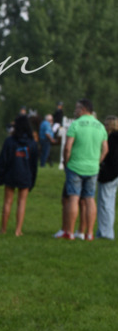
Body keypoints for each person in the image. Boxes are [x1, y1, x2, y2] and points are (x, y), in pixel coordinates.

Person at [60, 99, 108, 241]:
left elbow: (68, 147)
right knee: (89, 199)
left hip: (75, 166)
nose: (75, 111)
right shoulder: (100, 126)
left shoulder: (75, 124)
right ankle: (89, 233)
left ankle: (69, 232)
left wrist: (66, 161)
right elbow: (105, 149)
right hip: (93, 168)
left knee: (74, 198)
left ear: (82, 109)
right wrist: (97, 162)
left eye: (76, 108)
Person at [0, 115, 38, 236]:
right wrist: (32, 180)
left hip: (10, 174)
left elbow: (3, 159)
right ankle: (18, 230)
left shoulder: (9, 141)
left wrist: (0, 175)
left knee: (7, 202)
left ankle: (3, 229)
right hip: (25, 175)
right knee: (22, 202)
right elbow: (34, 164)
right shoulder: (32, 143)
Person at [96, 115, 118, 240]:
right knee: (108, 203)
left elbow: (111, 159)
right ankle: (105, 230)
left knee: (105, 203)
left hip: (109, 174)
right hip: (114, 175)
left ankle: (106, 232)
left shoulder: (112, 140)